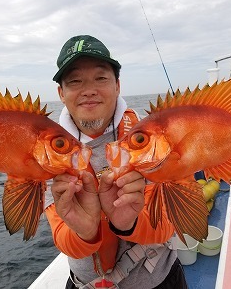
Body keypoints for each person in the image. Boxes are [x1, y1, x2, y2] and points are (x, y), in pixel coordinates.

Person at [44, 35, 187, 289]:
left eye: (101, 78)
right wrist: (85, 232)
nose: (89, 89)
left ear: (118, 85)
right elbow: (62, 238)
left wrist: (129, 223)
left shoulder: (153, 137)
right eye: (75, 81)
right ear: (61, 94)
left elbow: (167, 225)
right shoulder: (45, 149)